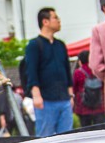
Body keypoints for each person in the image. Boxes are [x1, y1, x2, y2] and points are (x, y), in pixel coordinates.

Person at [26, 7, 73, 136]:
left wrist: (71, 95)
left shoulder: (60, 45)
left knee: (67, 137)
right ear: (45, 22)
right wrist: (36, 95)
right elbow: (31, 72)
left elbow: (67, 70)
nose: (59, 21)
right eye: (55, 18)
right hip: (45, 100)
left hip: (64, 99)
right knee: (45, 138)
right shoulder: (34, 45)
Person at [73, 50, 105, 127]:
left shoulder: (78, 73)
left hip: (83, 108)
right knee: (101, 129)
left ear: (80, 61)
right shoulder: (97, 70)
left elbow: (74, 89)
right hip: (99, 106)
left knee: (86, 130)